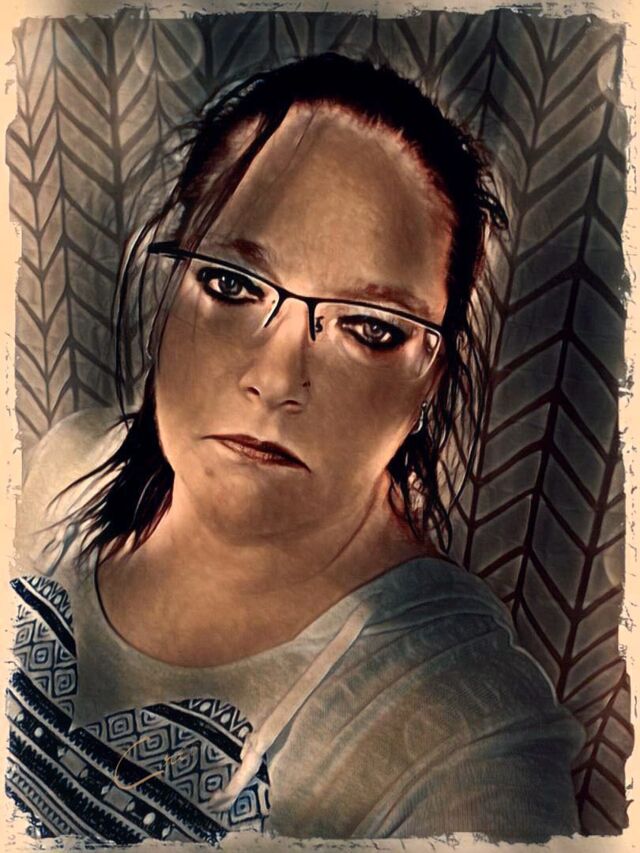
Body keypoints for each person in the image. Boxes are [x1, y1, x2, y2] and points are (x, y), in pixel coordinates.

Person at [7, 52, 585, 844]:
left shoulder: (464, 733)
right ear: (170, 289)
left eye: (369, 328)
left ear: (428, 379)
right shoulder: (63, 467)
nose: (277, 377)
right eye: (232, 285)